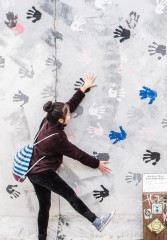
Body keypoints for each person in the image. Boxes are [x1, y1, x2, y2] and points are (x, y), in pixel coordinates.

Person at [27, 73, 115, 240]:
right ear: (61, 120)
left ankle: (41, 237)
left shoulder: (48, 118)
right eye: (67, 116)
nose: (70, 115)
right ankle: (97, 222)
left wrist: (84, 88)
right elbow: (76, 153)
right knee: (70, 195)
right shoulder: (57, 138)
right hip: (43, 172)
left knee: (44, 206)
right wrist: (97, 163)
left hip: (32, 170)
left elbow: (69, 105)